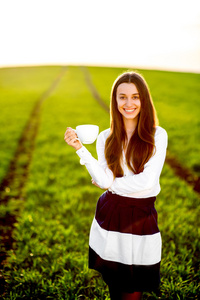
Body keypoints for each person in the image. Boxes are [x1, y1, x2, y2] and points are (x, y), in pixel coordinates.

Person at [64, 71, 168, 300]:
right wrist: (80, 149)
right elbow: (102, 180)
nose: (128, 103)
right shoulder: (105, 137)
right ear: (115, 101)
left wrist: (111, 184)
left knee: (133, 288)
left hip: (141, 217)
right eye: (122, 97)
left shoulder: (157, 135)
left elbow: (147, 181)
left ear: (144, 100)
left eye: (135, 97)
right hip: (110, 215)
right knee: (115, 284)